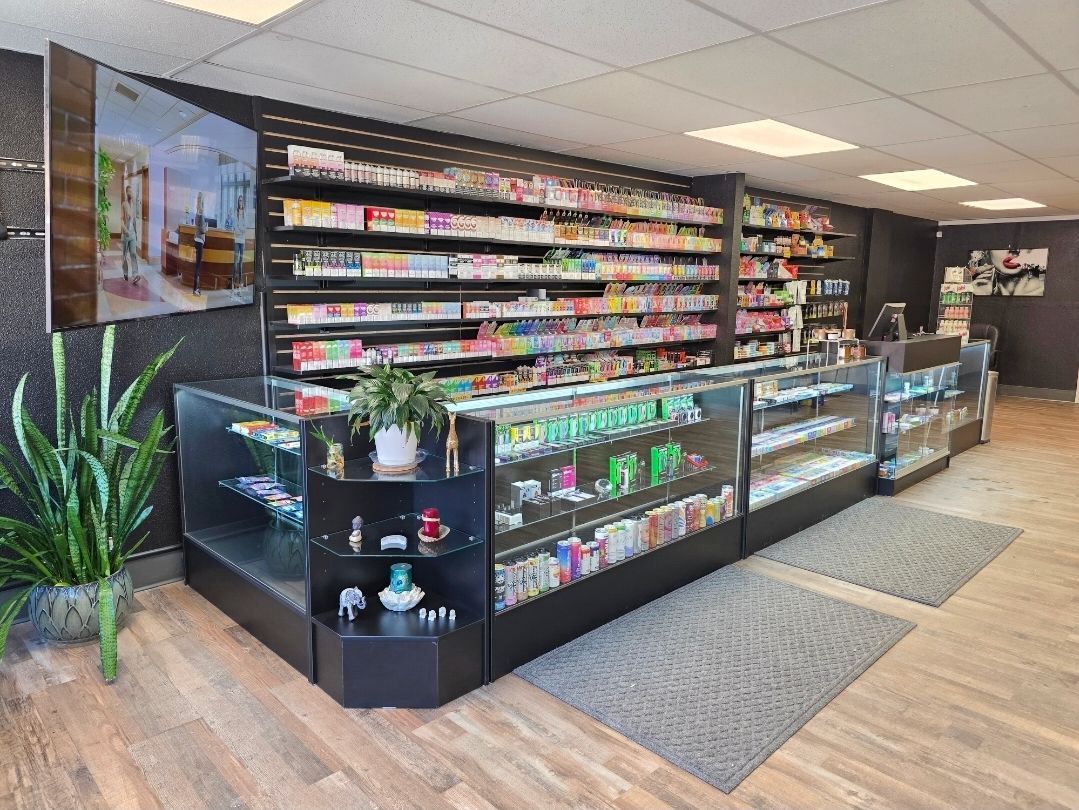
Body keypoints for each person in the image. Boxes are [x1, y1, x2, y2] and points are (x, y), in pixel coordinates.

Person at [120, 184, 140, 284]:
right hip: (125, 234)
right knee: (124, 255)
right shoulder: (124, 204)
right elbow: (121, 219)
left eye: (131, 191)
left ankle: (135, 275)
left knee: (133, 254)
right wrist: (125, 229)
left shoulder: (134, 206)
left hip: (132, 234)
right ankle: (125, 273)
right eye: (128, 191)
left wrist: (136, 233)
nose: (130, 193)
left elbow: (135, 220)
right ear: (126, 193)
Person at [192, 192, 207, 296]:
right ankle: (195, 290)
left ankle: (196, 289)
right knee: (198, 267)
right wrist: (206, 229)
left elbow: (197, 227)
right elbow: (202, 230)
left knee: (197, 266)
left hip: (196, 240)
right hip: (200, 241)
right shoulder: (200, 211)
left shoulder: (197, 211)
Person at [231, 193, 247, 290]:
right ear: (238, 202)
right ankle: (234, 283)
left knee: (241, 263)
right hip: (237, 240)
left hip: (243, 241)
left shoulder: (245, 213)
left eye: (242, 200)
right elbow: (235, 228)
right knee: (235, 262)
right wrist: (240, 228)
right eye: (239, 200)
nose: (241, 202)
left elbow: (245, 227)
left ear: (243, 202)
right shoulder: (235, 212)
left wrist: (240, 228)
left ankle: (240, 282)